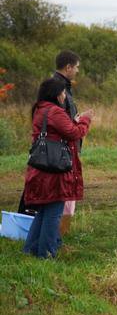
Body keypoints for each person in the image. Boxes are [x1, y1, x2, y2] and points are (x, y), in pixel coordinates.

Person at [22, 78, 93, 258]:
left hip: (42, 169)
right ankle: (46, 254)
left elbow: (62, 129)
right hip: (55, 170)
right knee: (53, 213)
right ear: (56, 94)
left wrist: (73, 121)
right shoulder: (55, 111)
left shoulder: (41, 108)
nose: (64, 95)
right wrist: (84, 120)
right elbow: (74, 133)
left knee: (43, 211)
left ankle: (30, 249)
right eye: (62, 92)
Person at [51, 50, 81, 239]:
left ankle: (60, 233)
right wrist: (78, 123)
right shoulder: (57, 87)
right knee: (62, 193)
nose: (77, 71)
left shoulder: (65, 86)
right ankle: (57, 235)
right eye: (76, 67)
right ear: (68, 67)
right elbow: (60, 121)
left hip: (68, 146)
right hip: (62, 149)